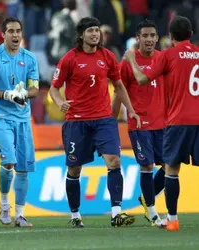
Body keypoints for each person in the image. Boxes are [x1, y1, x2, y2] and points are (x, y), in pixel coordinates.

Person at [49, 17, 140, 228]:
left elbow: (118, 85)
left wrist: (131, 110)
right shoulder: (69, 59)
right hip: (76, 122)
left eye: (97, 30)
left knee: (114, 161)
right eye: (90, 31)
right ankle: (75, 215)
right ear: (81, 35)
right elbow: (54, 87)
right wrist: (60, 102)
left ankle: (116, 213)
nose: (95, 34)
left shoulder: (107, 57)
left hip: (103, 120)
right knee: (74, 169)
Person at [123, 15, 199, 232]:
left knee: (171, 169)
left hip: (178, 120)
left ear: (169, 36)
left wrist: (130, 60)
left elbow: (142, 79)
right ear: (191, 34)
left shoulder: (167, 55)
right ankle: (153, 207)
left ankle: (172, 219)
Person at [0, 17, 39, 227]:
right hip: (0, 116)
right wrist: (7, 95)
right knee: (9, 162)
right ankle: (4, 201)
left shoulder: (30, 58)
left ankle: (20, 215)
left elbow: (35, 87)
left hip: (22, 118)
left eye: (18, 31)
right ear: (3, 34)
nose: (15, 35)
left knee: (23, 169)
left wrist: (24, 94)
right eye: (11, 31)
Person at [112, 19, 166, 226]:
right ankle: (152, 213)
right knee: (147, 165)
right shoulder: (127, 62)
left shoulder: (163, 59)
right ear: (138, 38)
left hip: (162, 122)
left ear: (157, 38)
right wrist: (112, 118)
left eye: (153, 35)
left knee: (171, 164)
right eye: (145, 36)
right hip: (139, 122)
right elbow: (119, 90)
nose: (149, 39)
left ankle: (146, 197)